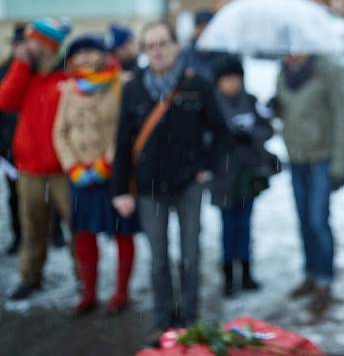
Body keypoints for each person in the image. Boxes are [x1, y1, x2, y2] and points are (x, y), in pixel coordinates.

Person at [111, 21, 228, 333]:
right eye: (151, 46)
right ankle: (164, 321)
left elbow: (221, 132)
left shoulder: (198, 85)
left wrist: (207, 165)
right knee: (159, 259)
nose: (158, 51)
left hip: (189, 184)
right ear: (144, 51)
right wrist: (120, 189)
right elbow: (123, 142)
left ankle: (189, 318)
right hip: (150, 188)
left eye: (163, 43)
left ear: (176, 46)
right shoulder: (133, 88)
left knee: (190, 256)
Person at [53, 35, 138, 315]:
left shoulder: (120, 84)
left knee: (121, 232)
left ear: (104, 54)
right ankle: (89, 293)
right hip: (79, 176)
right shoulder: (68, 89)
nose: (86, 57)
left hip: (113, 174)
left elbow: (125, 127)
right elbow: (60, 132)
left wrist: (107, 162)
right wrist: (73, 165)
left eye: (92, 51)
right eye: (80, 53)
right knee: (84, 234)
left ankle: (121, 293)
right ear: (72, 59)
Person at [0, 18, 73, 300]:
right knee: (32, 229)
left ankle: (84, 279)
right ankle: (30, 277)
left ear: (45, 45)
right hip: (29, 169)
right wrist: (20, 65)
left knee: (76, 229)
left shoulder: (67, 74)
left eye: (31, 40)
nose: (24, 45)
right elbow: (5, 100)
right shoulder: (23, 73)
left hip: (63, 169)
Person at [273, 53, 344, 317]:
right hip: (296, 158)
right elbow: (284, 110)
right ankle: (310, 275)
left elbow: (343, 117)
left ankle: (325, 281)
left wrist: (339, 165)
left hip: (322, 159)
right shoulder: (283, 72)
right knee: (304, 220)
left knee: (319, 221)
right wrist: (274, 107)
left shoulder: (328, 69)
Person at [210, 55, 277, 297]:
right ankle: (229, 275)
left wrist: (253, 134)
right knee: (229, 227)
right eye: (226, 79)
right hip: (223, 178)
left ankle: (247, 272)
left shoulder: (250, 101)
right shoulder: (213, 105)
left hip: (249, 176)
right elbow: (207, 139)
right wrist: (228, 138)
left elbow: (268, 129)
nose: (231, 84)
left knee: (246, 225)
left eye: (235, 78)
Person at [1, 23, 26, 255]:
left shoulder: (36, 71)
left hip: (33, 147)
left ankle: (55, 233)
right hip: (9, 148)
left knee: (47, 197)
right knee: (15, 197)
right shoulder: (3, 72)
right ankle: (19, 236)